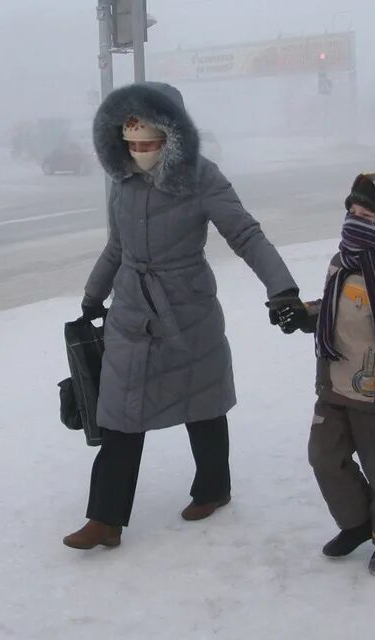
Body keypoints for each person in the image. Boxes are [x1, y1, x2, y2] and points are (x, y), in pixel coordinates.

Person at [63, 81, 306, 550]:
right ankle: (105, 520)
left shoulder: (202, 177)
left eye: (149, 145)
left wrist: (283, 289)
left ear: (171, 136)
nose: (139, 154)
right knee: (119, 412)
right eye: (130, 145)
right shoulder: (123, 180)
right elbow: (116, 245)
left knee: (203, 402)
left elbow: (246, 235)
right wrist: (94, 296)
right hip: (131, 310)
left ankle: (213, 489)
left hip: (187, 308)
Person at [278, 173, 375, 577]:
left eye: (365, 211)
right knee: (324, 458)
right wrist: (303, 315)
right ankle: (357, 524)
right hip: (334, 386)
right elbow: (334, 310)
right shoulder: (342, 263)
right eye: (351, 210)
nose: (354, 218)